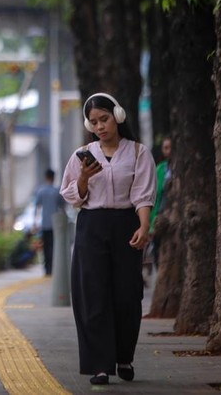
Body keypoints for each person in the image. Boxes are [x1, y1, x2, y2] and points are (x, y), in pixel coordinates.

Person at [60, 92, 156, 386]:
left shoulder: (139, 153)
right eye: (94, 122)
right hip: (91, 225)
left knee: (127, 294)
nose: (100, 126)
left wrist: (143, 226)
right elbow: (72, 196)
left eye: (104, 118)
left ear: (118, 116)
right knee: (92, 295)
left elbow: (142, 194)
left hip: (125, 223)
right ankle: (99, 365)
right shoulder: (82, 155)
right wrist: (84, 178)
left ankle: (123, 356)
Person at [34, 168, 65, 276]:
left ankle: (47, 269)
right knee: (54, 247)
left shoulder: (41, 191)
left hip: (45, 224)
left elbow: (37, 208)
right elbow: (62, 208)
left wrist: (35, 223)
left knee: (46, 246)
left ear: (45, 177)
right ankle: (53, 267)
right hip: (55, 224)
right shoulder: (57, 191)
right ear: (53, 177)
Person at [148, 136, 172, 269]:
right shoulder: (160, 169)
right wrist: (151, 225)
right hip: (160, 215)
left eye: (170, 147)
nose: (168, 151)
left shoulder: (182, 169)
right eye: (165, 148)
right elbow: (154, 197)